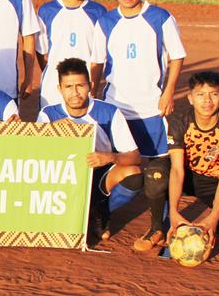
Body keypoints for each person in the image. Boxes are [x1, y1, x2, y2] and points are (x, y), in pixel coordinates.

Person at [90, 0, 186, 251]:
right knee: (113, 166)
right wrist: (95, 99)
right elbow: (96, 64)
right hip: (117, 108)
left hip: (151, 109)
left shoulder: (159, 18)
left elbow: (177, 57)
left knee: (158, 171)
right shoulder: (106, 22)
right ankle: (100, 213)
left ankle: (163, 226)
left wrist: (168, 92)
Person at [37, 58, 142, 241]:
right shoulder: (48, 114)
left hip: (97, 172)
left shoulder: (109, 112)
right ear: (59, 89)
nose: (75, 92)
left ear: (90, 85)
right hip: (63, 177)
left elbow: (135, 157)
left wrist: (109, 157)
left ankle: (98, 211)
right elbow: (35, 154)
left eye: (80, 86)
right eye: (68, 87)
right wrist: (50, 131)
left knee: (133, 174)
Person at [166, 71, 219, 248]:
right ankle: (158, 227)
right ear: (190, 98)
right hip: (186, 174)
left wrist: (213, 216)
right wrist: (174, 211)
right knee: (155, 175)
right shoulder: (179, 122)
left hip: (213, 179)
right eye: (201, 95)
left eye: (214, 94)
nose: (207, 101)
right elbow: (177, 169)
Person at [36, 0, 107, 109]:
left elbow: (99, 56)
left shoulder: (98, 12)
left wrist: (92, 88)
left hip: (83, 89)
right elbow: (42, 54)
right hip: (52, 90)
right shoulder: (47, 11)